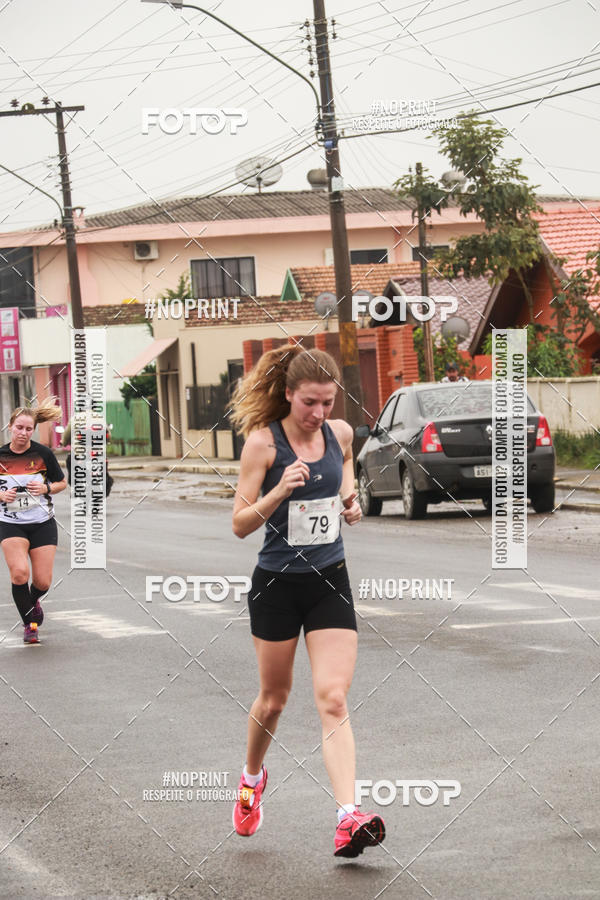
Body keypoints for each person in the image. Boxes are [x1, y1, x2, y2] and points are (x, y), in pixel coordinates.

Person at [229, 345, 385, 858]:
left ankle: (348, 818)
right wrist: (280, 490)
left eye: (327, 402)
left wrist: (350, 499)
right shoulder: (263, 445)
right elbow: (239, 524)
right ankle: (251, 780)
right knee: (273, 700)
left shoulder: (338, 433)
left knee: (333, 697)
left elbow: (342, 469)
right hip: (276, 585)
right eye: (309, 403)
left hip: (329, 580)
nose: (319, 414)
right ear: (289, 395)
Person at [0, 398, 66, 644]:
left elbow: (61, 483)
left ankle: (32, 598)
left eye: (28, 429)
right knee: (19, 574)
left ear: (33, 431)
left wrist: (45, 488)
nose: (23, 433)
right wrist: (1, 495)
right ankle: (30, 624)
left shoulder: (43, 453)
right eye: (19, 427)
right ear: (10, 426)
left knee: (42, 581)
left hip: (41, 522)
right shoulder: (1, 456)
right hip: (10, 522)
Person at [61, 417, 113, 497]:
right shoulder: (99, 417)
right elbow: (108, 435)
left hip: (80, 452)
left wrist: (63, 442)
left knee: (70, 460)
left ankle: (75, 485)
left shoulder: (75, 418)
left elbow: (67, 434)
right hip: (97, 452)